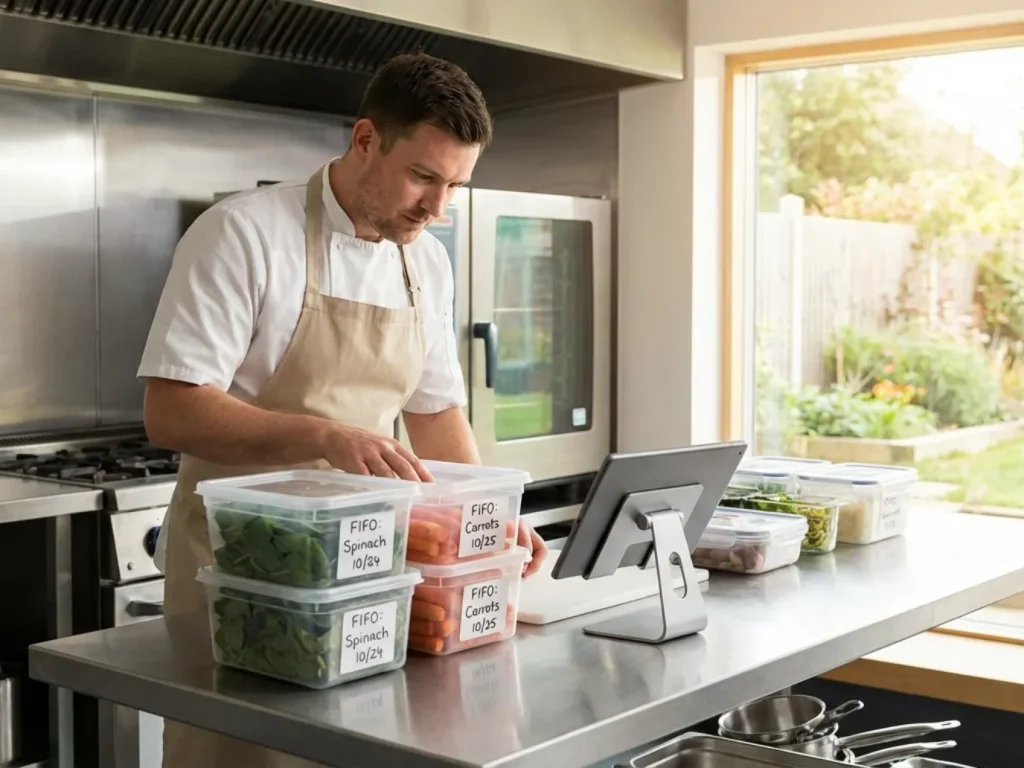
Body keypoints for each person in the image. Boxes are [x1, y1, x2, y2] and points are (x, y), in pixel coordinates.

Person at [138, 52, 548, 768]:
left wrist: (489, 524)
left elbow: (437, 414)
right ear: (365, 140)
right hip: (243, 565)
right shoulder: (242, 235)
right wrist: (326, 437)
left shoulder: (427, 262)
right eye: (424, 176)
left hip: (369, 567)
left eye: (455, 185)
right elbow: (171, 411)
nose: (438, 208)